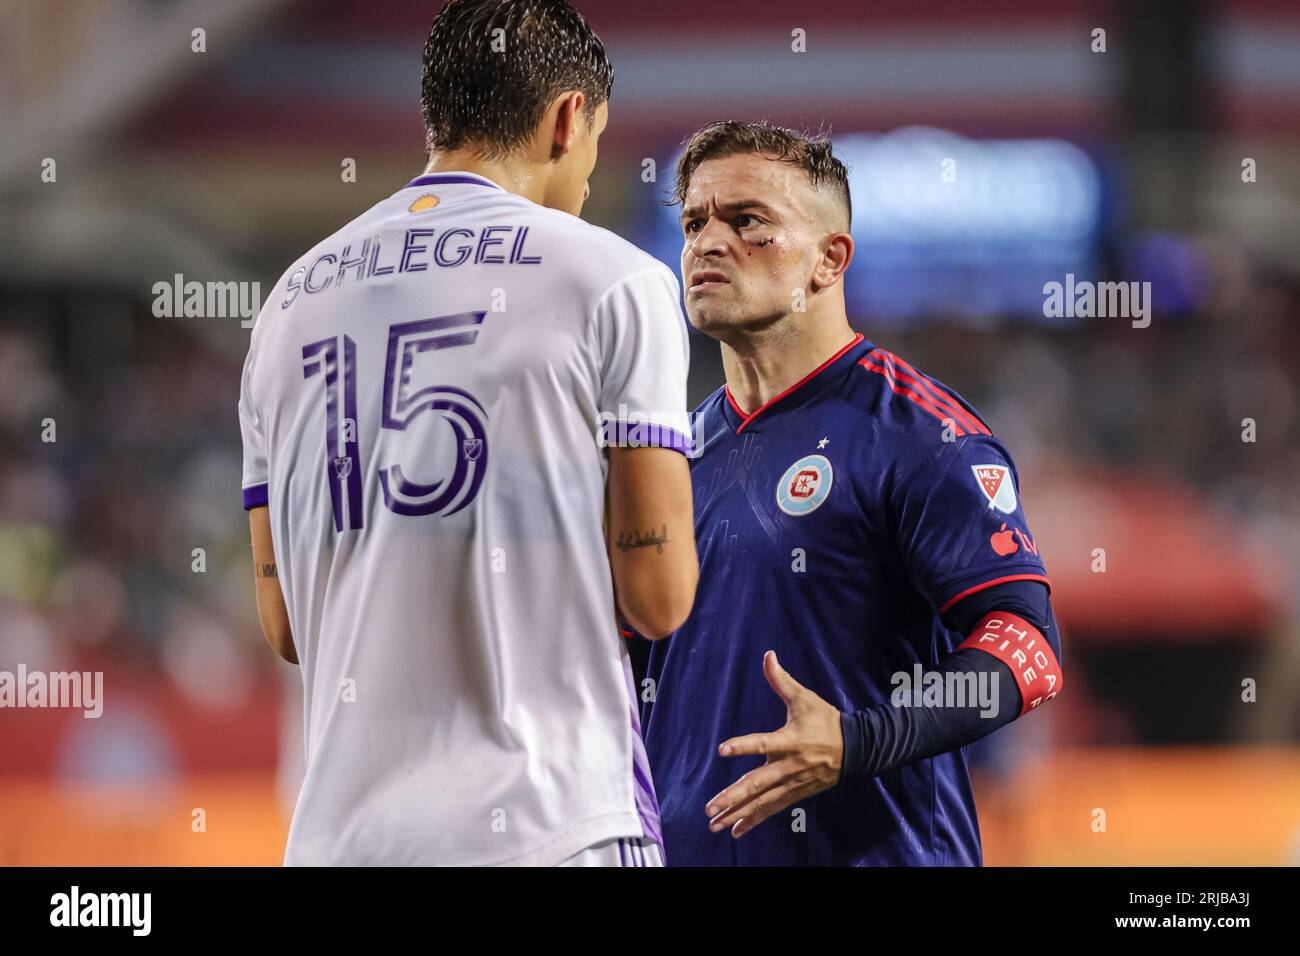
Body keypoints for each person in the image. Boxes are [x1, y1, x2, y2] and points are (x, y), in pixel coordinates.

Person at [238, 0, 696, 867]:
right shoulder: (614, 280)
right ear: (568, 118)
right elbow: (657, 595)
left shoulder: (287, 306)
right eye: (597, 138)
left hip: (343, 841)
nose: (593, 173)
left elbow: (286, 624)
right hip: (552, 824)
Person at [641, 121, 1062, 865]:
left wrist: (862, 739)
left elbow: (1025, 649)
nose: (708, 243)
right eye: (695, 223)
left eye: (747, 222)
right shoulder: (669, 455)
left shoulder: (921, 436)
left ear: (828, 261)